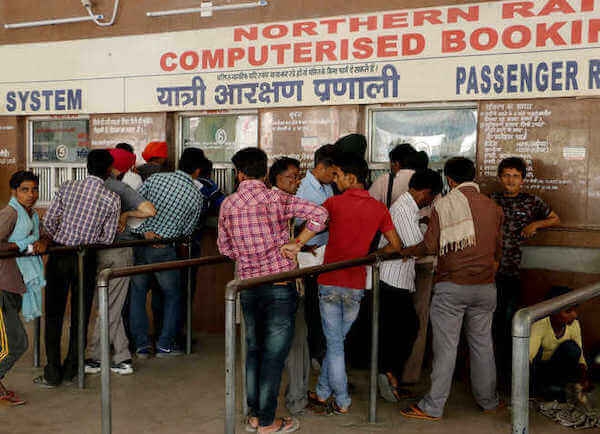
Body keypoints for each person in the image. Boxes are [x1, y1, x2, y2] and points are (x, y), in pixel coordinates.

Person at [218, 147, 328, 434]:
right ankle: (267, 422)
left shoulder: (228, 204)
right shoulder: (277, 198)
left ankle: (255, 416)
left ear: (238, 173)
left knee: (253, 351)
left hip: (248, 288)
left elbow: (225, 249)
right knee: (274, 356)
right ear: (266, 173)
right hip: (280, 286)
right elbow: (320, 214)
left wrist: (246, 254)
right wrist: (298, 242)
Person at [399, 157, 503, 421]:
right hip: (486, 287)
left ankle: (433, 407)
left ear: (449, 179)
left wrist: (408, 250)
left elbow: (430, 247)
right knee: (482, 345)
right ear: (474, 177)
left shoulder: (443, 206)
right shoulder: (493, 207)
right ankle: (489, 401)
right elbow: (497, 251)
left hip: (452, 287)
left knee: (446, 348)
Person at [308, 154, 402, 416]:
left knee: (334, 344)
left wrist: (297, 242)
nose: (334, 180)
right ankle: (323, 391)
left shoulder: (333, 203)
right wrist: (372, 257)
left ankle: (342, 400)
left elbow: (311, 227)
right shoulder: (379, 208)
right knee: (337, 342)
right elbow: (396, 246)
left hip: (329, 281)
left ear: (351, 178)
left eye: (337, 175)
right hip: (356, 284)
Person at [37, 150, 120, 387]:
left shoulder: (68, 187)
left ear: (86, 166)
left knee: (53, 313)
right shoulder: (111, 198)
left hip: (60, 253)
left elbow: (50, 221)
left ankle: (52, 372)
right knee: (81, 315)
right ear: (108, 171)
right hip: (87, 257)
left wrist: (55, 238)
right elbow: (107, 237)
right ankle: (72, 369)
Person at [85, 148, 156, 376]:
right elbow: (149, 210)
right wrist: (126, 215)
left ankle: (104, 357)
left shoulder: (83, 187)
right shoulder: (119, 187)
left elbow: (149, 210)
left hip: (95, 251)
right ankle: (117, 357)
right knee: (110, 306)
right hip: (117, 251)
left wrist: (124, 215)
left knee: (106, 306)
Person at [129, 147, 205, 358]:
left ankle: (141, 346)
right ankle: (164, 344)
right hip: (166, 249)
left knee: (137, 295)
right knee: (173, 296)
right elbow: (187, 232)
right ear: (197, 171)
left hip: (141, 245)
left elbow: (136, 205)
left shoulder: (155, 180)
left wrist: (144, 232)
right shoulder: (195, 196)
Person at [377, 169, 442, 403]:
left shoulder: (409, 209)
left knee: (403, 330)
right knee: (400, 332)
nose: (431, 202)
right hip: (392, 280)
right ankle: (387, 375)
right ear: (426, 193)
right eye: (432, 197)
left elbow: (413, 249)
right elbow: (419, 246)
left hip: (401, 279)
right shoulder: (403, 209)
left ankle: (390, 375)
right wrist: (427, 239)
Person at [491, 157, 560, 371]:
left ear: (522, 179)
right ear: (500, 178)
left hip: (513, 272)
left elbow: (555, 218)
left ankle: (508, 372)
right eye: (507, 176)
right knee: (491, 323)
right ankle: (491, 370)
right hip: (490, 271)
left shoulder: (532, 201)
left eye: (515, 176)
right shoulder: (491, 199)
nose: (511, 180)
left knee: (511, 322)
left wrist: (535, 224)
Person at [0, 171, 46, 406]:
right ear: (14, 192)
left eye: (34, 189)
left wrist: (36, 244)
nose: (31, 194)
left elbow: (35, 241)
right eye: (25, 190)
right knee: (17, 342)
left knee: (8, 341)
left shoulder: (31, 214)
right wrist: (22, 244)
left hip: (16, 284)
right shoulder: (10, 213)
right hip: (3, 285)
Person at [268, 156, 308, 415]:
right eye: (290, 177)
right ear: (275, 179)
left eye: (297, 177)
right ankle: (296, 400)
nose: (295, 182)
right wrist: (301, 241)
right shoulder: (282, 202)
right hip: (284, 282)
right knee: (296, 341)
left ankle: (260, 405)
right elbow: (321, 217)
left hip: (263, 283)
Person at [295, 144, 337, 368]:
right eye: (332, 173)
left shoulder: (326, 187)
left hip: (324, 254)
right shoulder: (302, 189)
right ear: (321, 167)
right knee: (311, 308)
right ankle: (313, 354)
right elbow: (295, 223)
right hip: (308, 255)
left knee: (323, 307)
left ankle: (320, 352)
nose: (334, 177)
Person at [530, 286, 590, 402]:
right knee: (535, 355)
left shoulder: (574, 325)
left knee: (572, 349)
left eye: (575, 310)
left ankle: (556, 387)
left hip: (557, 369)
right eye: (568, 311)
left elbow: (580, 357)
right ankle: (540, 388)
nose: (574, 315)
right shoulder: (540, 324)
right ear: (551, 312)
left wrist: (583, 379)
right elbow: (528, 358)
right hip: (540, 369)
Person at [369, 142, 417, 206]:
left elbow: (369, 204)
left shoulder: (383, 180)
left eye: (391, 163)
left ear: (396, 164)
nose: (390, 167)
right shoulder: (423, 180)